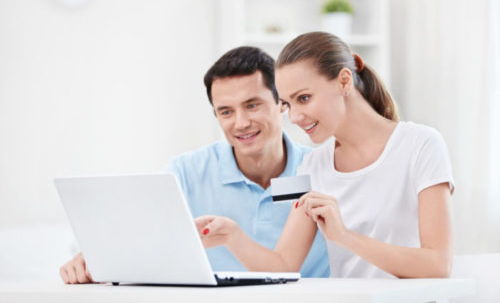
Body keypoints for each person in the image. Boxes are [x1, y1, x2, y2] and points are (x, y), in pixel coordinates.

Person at [59, 46, 330, 284]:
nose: (241, 122)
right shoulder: (186, 172)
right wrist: (93, 258)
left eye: (252, 105)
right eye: (226, 111)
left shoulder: (321, 169)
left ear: (281, 103)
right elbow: (137, 233)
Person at [195, 32, 454, 278]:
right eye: (288, 104)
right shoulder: (311, 165)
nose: (294, 117)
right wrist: (232, 235)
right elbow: (284, 266)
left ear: (344, 82)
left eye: (304, 98)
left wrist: (344, 236)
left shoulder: (421, 145)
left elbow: (438, 264)